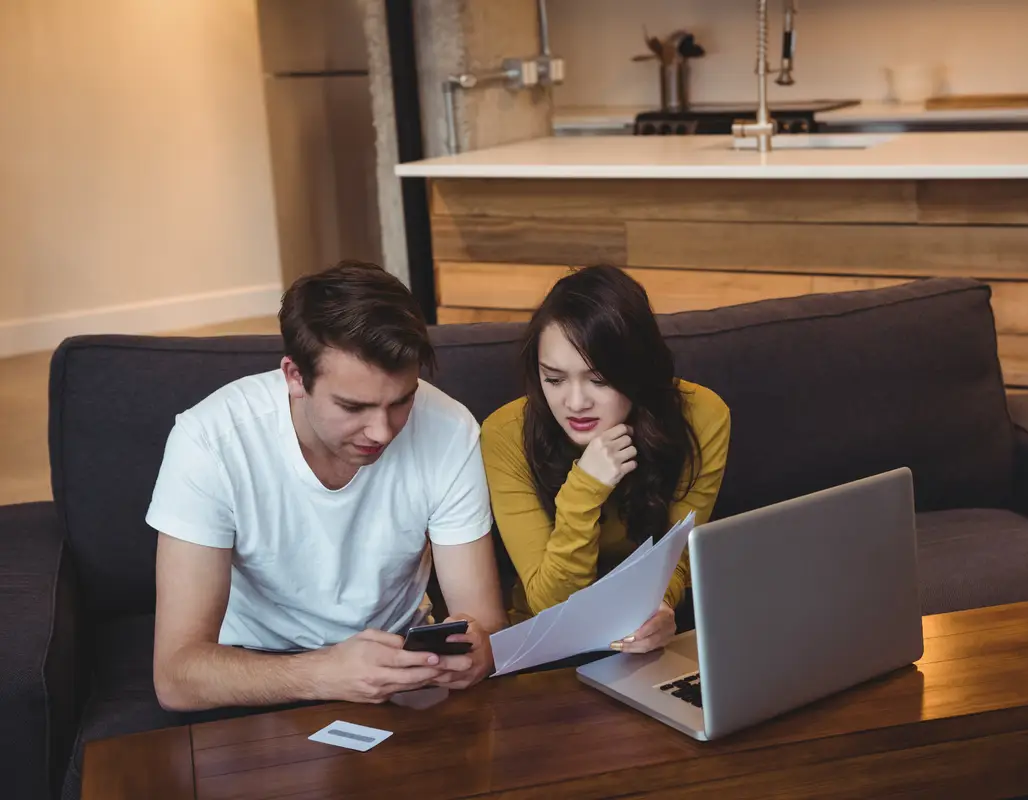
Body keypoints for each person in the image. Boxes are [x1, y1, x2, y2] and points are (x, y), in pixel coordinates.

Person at [148, 261, 507, 712]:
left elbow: (485, 622)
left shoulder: (449, 429)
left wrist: (476, 652)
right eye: (353, 406)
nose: (381, 431)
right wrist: (325, 673)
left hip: (401, 671)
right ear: (295, 377)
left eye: (401, 401)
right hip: (255, 675)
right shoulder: (210, 440)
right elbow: (177, 675)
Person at [481, 265, 731, 654]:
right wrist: (585, 488)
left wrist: (661, 607)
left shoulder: (701, 417)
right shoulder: (506, 434)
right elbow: (550, 607)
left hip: (647, 642)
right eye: (554, 379)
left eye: (599, 380)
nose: (576, 403)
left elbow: (676, 556)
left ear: (639, 370)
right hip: (547, 653)